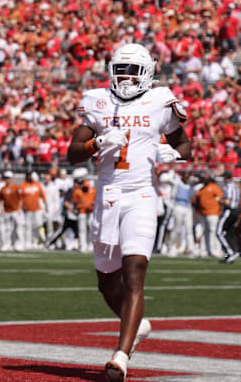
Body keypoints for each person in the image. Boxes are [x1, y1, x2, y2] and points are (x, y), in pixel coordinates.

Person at [68, 43, 191, 381]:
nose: (124, 76)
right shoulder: (97, 101)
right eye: (119, 69)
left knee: (134, 273)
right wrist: (97, 143)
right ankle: (138, 324)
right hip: (107, 197)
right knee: (107, 283)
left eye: (132, 70)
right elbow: (72, 154)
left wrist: (174, 155)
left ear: (147, 74)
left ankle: (121, 355)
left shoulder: (160, 102)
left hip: (141, 196)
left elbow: (184, 143)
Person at [194, 172, 223, 257]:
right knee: (205, 232)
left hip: (213, 213)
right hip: (203, 213)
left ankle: (215, 250)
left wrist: (220, 211)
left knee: (213, 231)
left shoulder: (214, 188)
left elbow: (220, 199)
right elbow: (197, 201)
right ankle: (206, 250)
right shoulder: (201, 189)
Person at [19, 171, 46, 249]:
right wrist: (21, 207)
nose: (30, 177)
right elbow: (20, 198)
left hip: (37, 208)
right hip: (27, 210)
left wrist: (46, 205)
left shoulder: (37, 185)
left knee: (39, 224)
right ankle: (28, 242)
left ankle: (35, 241)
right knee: (28, 226)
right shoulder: (22, 186)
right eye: (28, 176)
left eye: (30, 176)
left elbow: (42, 195)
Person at [217, 170, 239, 263]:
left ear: (226, 177)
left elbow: (227, 202)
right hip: (236, 211)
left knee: (218, 232)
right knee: (229, 233)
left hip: (229, 211)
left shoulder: (228, 187)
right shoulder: (235, 187)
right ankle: (233, 252)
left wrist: (219, 200)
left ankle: (230, 252)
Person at [0, 170, 23, 250]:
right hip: (7, 211)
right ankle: (7, 244)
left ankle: (19, 244)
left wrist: (19, 209)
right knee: (8, 229)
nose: (6, 180)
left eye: (8, 178)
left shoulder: (16, 187)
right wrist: (1, 209)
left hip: (16, 211)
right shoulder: (2, 189)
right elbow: (0, 200)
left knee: (18, 228)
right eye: (5, 178)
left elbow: (20, 199)